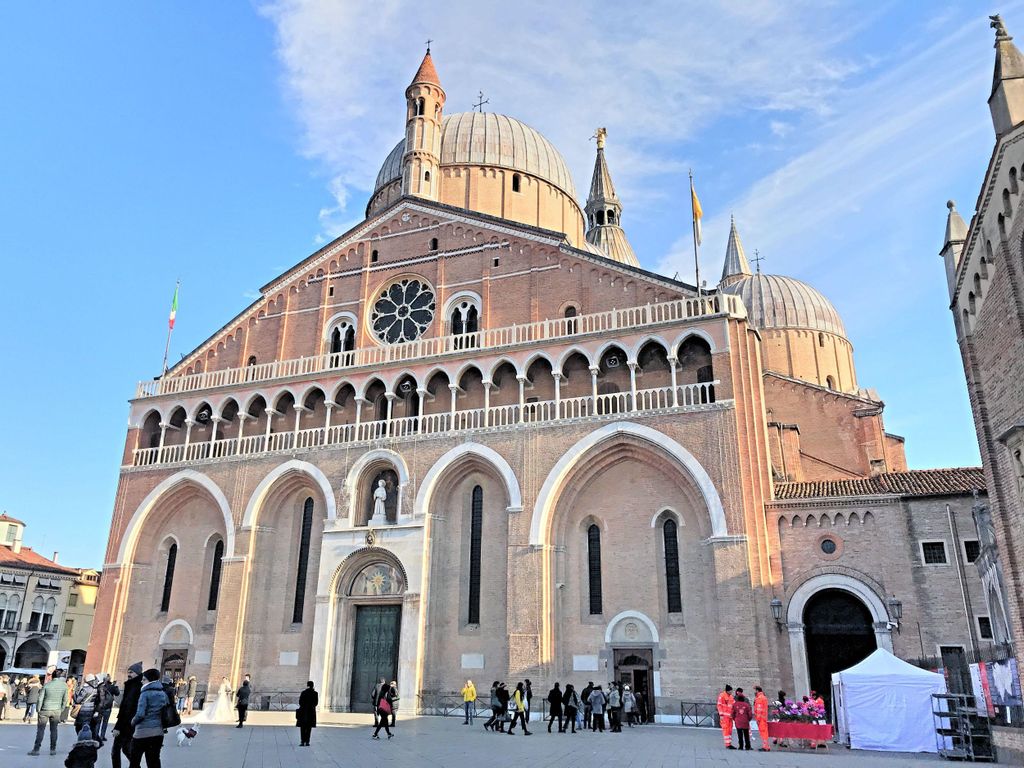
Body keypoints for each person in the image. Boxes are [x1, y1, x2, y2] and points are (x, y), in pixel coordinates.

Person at [130, 668, 168, 768]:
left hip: (142, 733)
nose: (141, 681)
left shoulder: (145, 694)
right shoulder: (163, 693)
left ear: (149, 680)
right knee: (154, 761)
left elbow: (140, 714)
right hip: (158, 733)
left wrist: (132, 722)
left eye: (144, 679)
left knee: (134, 761)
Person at [29, 668, 69, 757]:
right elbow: (65, 699)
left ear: (52, 676)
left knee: (40, 730)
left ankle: (36, 749)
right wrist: (61, 709)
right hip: (57, 710)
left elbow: (40, 699)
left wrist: (38, 709)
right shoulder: (64, 686)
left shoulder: (47, 685)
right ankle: (53, 749)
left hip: (45, 709)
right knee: (54, 730)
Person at [111, 663, 143, 768]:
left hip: (127, 723)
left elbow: (127, 708)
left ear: (137, 673)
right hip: (128, 723)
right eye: (128, 672)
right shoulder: (132, 684)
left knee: (117, 750)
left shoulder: (135, 686)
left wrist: (118, 727)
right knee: (124, 748)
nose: (129, 674)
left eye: (131, 672)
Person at [96, 676, 118, 744]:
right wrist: (115, 686)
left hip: (99, 707)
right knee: (105, 723)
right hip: (108, 708)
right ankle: (102, 736)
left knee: (98, 722)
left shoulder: (99, 686)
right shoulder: (112, 686)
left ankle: (96, 736)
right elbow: (117, 693)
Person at [296, 681, 317, 747]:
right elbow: (316, 703)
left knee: (303, 728)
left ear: (307, 685)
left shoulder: (303, 693)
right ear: (313, 686)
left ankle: (302, 741)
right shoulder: (315, 693)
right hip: (311, 712)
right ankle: (307, 742)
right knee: (309, 728)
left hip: (303, 712)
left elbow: (300, 702)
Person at [717, 684, 735, 749]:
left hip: (730, 717)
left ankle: (729, 743)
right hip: (724, 716)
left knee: (730, 730)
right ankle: (727, 744)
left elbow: (733, 705)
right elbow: (719, 705)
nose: (731, 692)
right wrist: (721, 715)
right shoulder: (722, 696)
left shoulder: (731, 697)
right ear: (727, 691)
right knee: (726, 730)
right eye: (731, 691)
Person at [753, 686, 770, 752]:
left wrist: (758, 719)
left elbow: (759, 709)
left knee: (763, 733)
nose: (754, 692)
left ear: (757, 690)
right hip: (764, 718)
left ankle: (765, 747)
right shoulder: (764, 697)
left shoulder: (759, 698)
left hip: (761, 719)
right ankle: (767, 746)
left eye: (755, 690)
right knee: (765, 732)